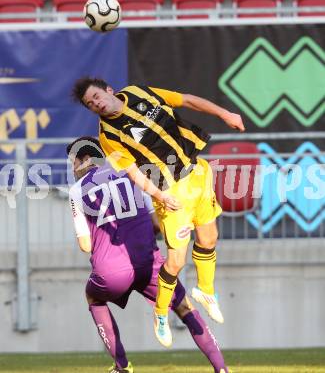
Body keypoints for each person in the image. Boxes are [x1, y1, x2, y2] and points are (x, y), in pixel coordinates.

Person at [72, 78, 245, 347]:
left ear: (108, 90)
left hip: (197, 172)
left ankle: (206, 291)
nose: (95, 104)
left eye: (96, 96)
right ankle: (161, 312)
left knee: (209, 239)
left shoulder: (138, 92)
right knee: (176, 262)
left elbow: (186, 99)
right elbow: (132, 172)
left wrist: (225, 113)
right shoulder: (108, 136)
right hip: (169, 190)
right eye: (89, 104)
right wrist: (160, 195)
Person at [67, 136, 229, 373]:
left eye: (73, 162)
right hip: (148, 263)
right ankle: (221, 368)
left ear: (86, 159)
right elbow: (155, 221)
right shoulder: (133, 175)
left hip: (110, 270)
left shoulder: (77, 190)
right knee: (185, 307)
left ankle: (122, 366)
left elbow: (85, 245)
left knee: (94, 297)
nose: (73, 168)